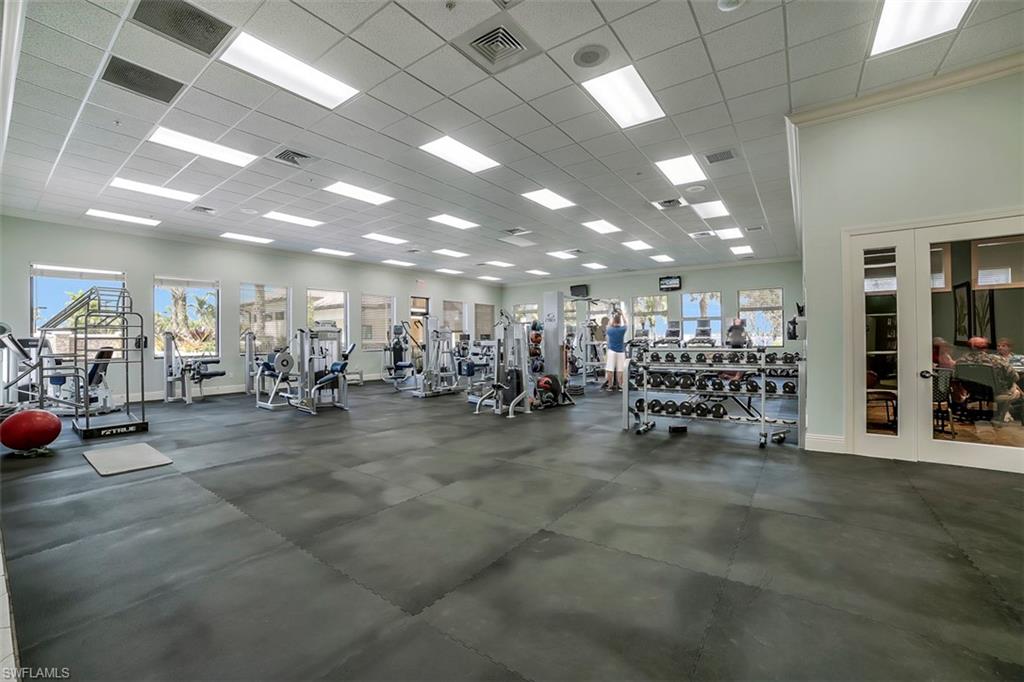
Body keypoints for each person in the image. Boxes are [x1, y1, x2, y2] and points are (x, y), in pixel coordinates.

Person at [956, 337, 1022, 423]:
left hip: (973, 393)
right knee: (1015, 389)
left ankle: (1004, 414)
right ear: (985, 348)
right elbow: (1015, 377)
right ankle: (999, 417)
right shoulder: (997, 360)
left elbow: (956, 377)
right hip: (997, 394)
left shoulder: (960, 362)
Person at [604, 312, 627, 391]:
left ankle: (610, 386)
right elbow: (626, 323)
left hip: (612, 351)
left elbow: (609, 324)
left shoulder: (609, 329)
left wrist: (612, 316)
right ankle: (620, 386)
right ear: (620, 321)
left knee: (610, 369)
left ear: (613, 321)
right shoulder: (622, 329)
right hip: (621, 351)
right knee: (620, 370)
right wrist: (622, 314)